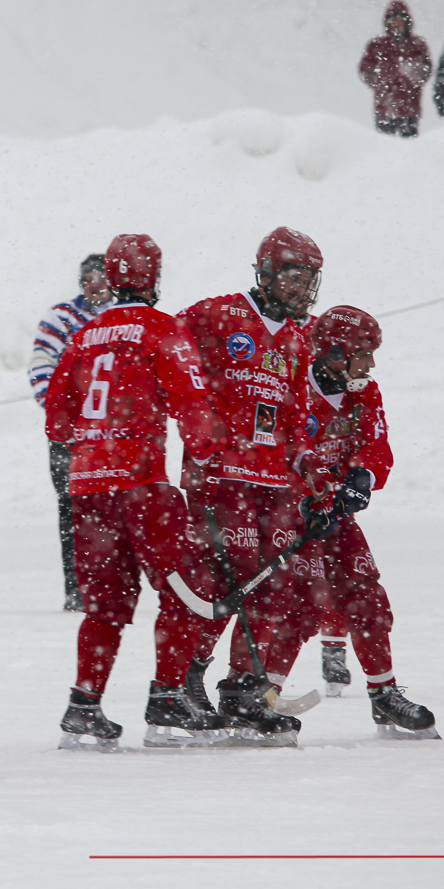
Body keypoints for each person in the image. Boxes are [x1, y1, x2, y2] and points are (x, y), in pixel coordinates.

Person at [44, 233, 229, 749]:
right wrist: (208, 449)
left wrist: (93, 437)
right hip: (141, 484)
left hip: (88, 488)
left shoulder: (85, 335)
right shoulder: (162, 330)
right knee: (187, 590)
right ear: (153, 277)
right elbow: (191, 402)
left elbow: (56, 419)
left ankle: (85, 704)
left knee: (106, 603)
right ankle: (167, 698)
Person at [175, 227, 323, 744]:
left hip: (272, 483)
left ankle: (242, 689)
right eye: (293, 276)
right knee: (221, 583)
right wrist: (196, 428)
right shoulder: (218, 313)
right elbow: (166, 354)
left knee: (272, 585)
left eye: (309, 279)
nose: (302, 289)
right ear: (265, 272)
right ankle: (185, 680)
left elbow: (296, 415)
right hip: (220, 478)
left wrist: (306, 462)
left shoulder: (297, 340)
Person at [280, 306, 438, 738]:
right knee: (294, 610)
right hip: (292, 516)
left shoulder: (364, 392)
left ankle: (384, 696)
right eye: (363, 354)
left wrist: (360, 477)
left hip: (332, 515)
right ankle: (257, 696)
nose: (370, 365)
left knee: (367, 597)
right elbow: (279, 452)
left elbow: (376, 445)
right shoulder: (293, 387)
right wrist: (306, 499)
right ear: (333, 353)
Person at [28, 253, 113, 611]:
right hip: (69, 435)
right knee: (72, 510)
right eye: (89, 278)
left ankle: (110, 587)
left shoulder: (121, 317)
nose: (96, 285)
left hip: (112, 434)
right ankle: (76, 589)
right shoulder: (61, 316)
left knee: (111, 509)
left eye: (102, 277)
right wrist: (58, 412)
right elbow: (39, 364)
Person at [359, 0, 433, 138]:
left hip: (409, 107)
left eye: (399, 20)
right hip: (384, 106)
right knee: (385, 146)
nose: (396, 24)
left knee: (408, 147)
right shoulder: (377, 45)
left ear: (407, 22)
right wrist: (380, 83)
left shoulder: (417, 45)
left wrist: (411, 80)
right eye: (392, 21)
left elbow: (426, 70)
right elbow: (365, 70)